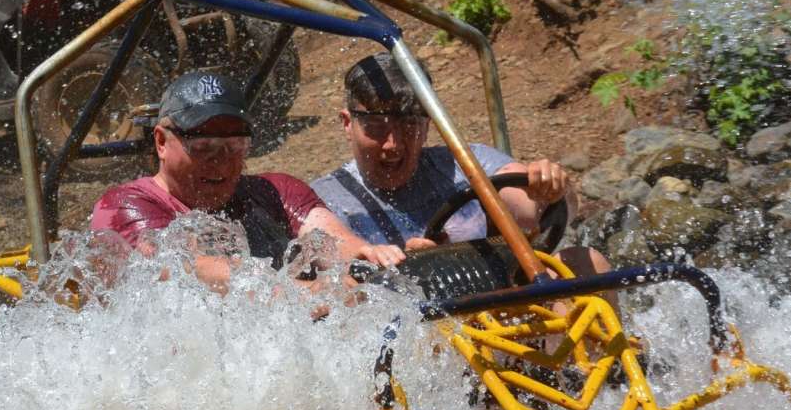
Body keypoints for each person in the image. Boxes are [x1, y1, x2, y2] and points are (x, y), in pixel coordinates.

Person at [90, 71, 408, 291]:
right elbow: (191, 271)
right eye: (203, 148)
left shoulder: (275, 191)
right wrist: (312, 294)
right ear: (161, 141)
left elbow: (331, 240)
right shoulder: (124, 207)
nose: (221, 162)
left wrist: (376, 257)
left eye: (235, 147)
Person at [311, 52, 609, 279]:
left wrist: (550, 189)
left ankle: (610, 361)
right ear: (348, 124)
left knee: (587, 262)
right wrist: (417, 269)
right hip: (410, 334)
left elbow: (534, 208)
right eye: (376, 126)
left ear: (429, 124)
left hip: (499, 315)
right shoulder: (322, 202)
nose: (394, 144)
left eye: (410, 125)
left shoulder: (467, 164)